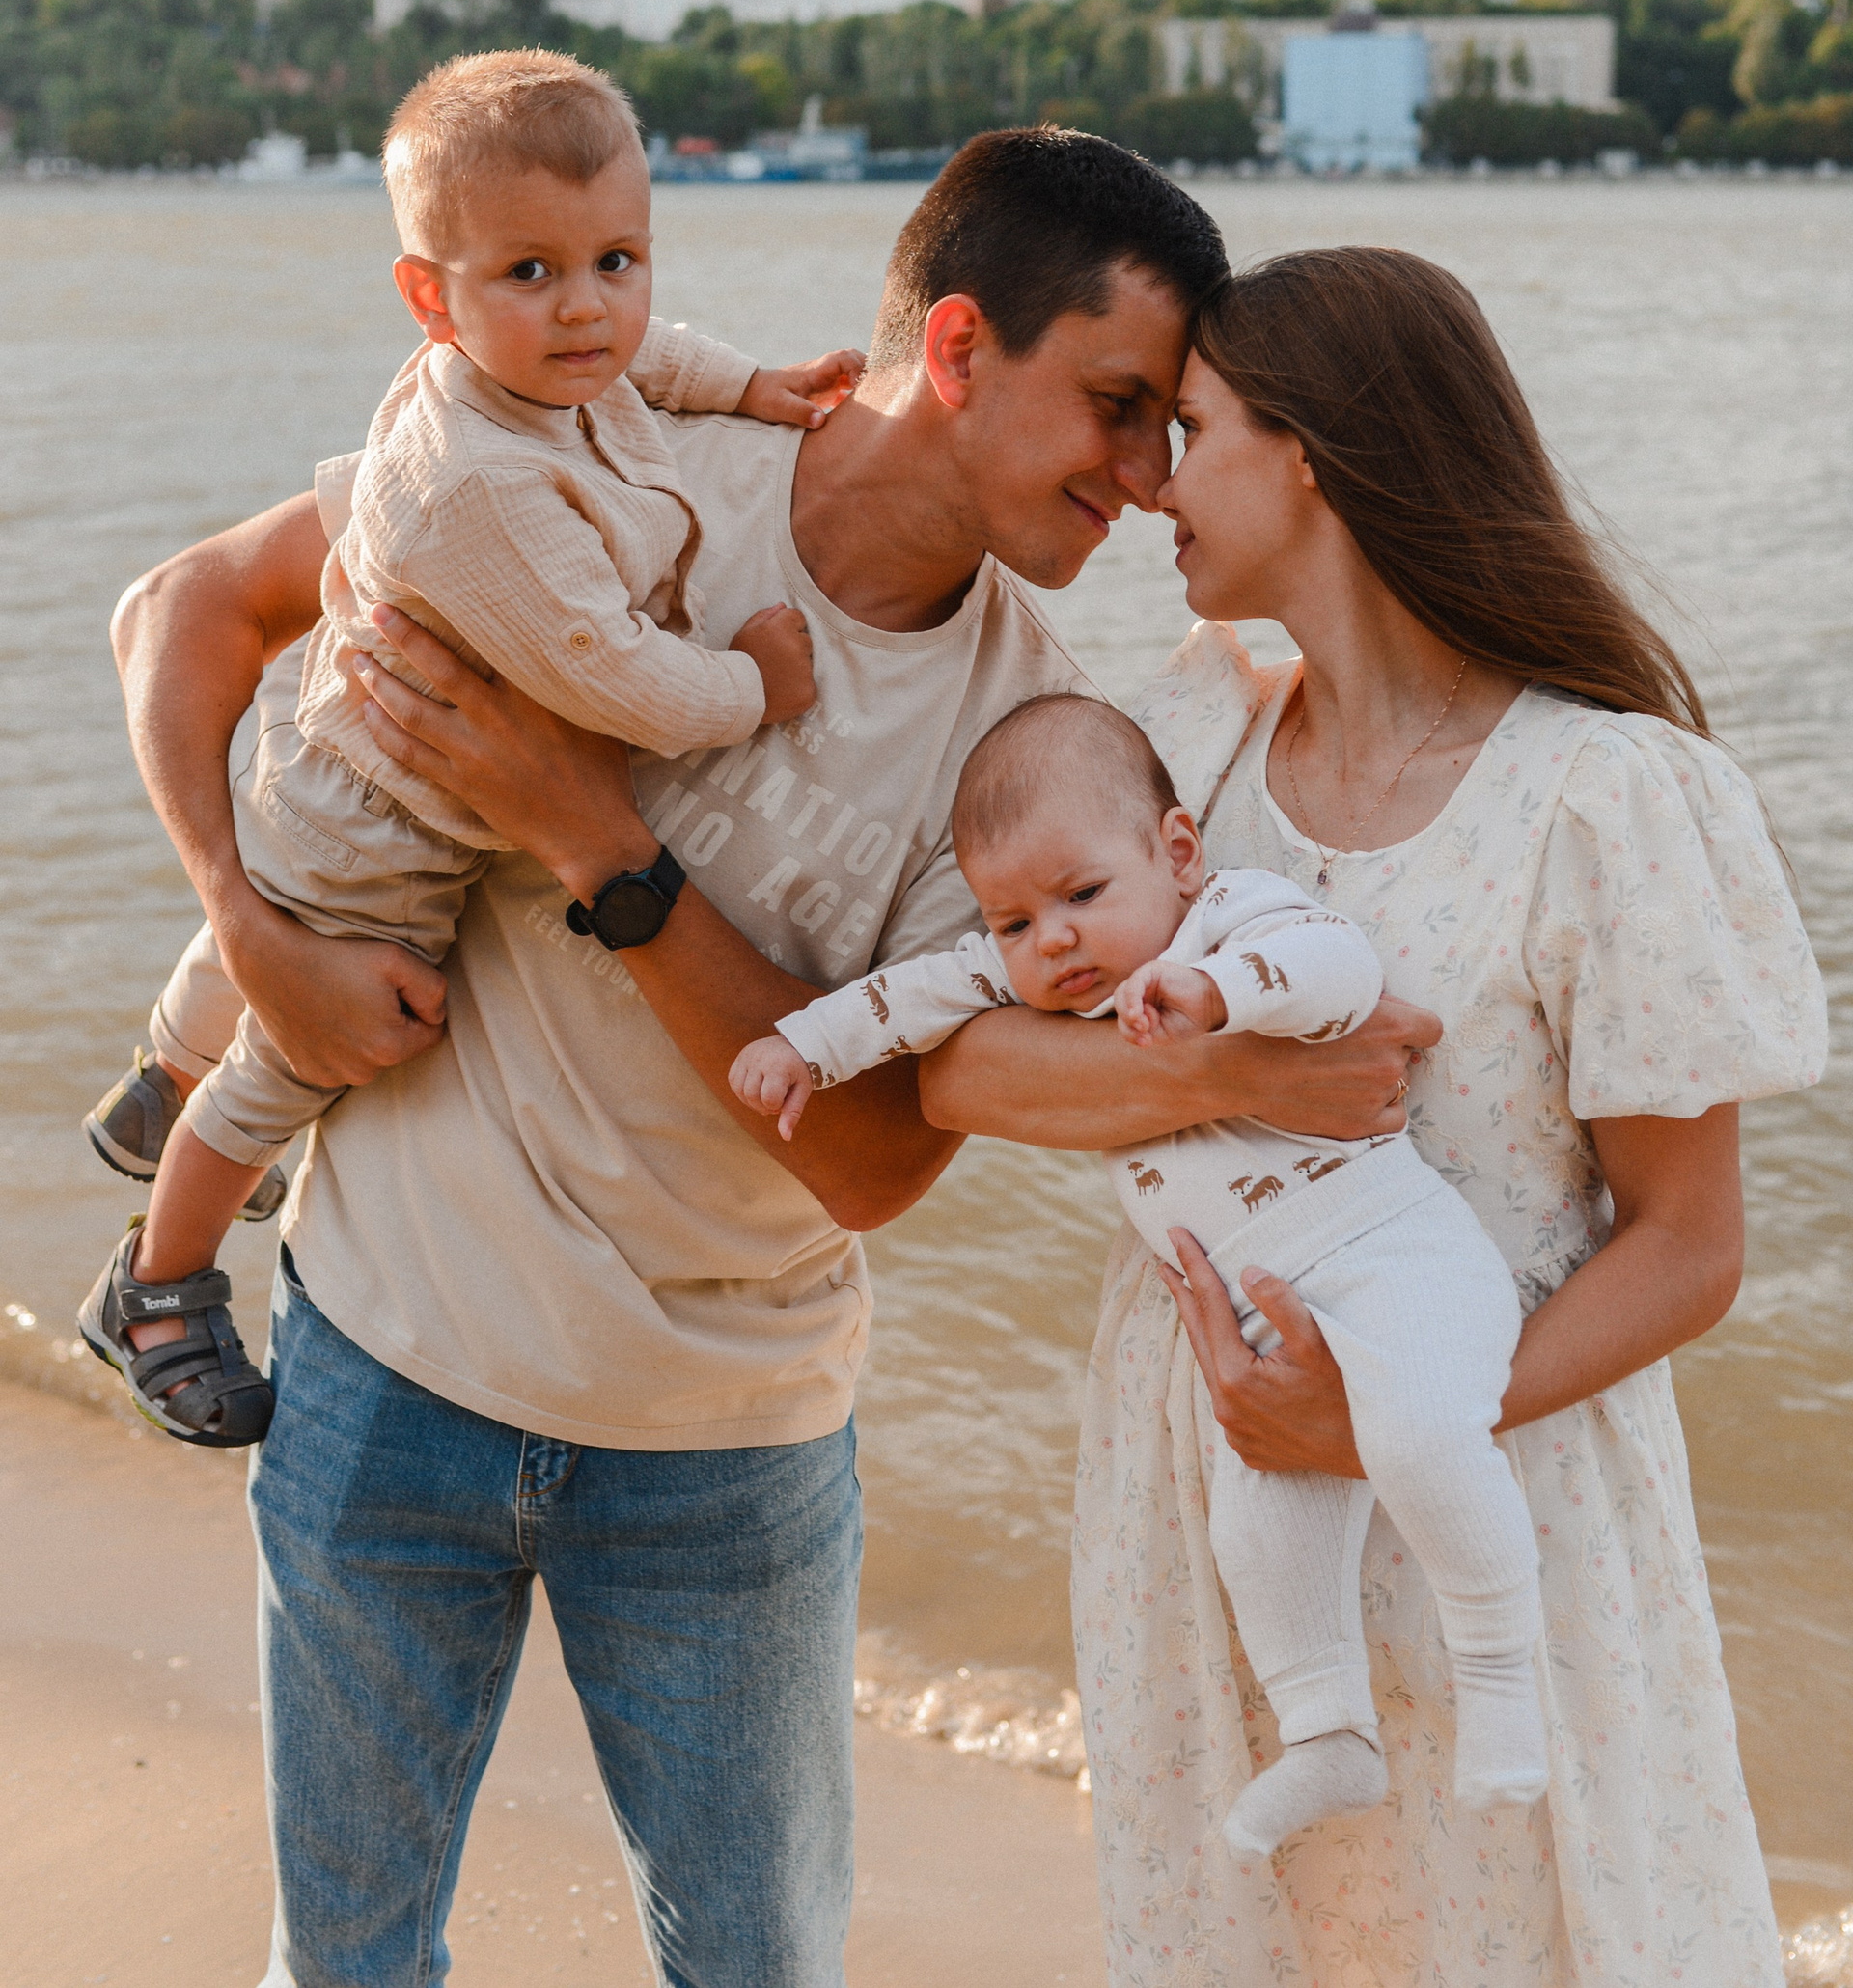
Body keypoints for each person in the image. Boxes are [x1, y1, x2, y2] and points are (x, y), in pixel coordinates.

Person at [118, 130, 1427, 1988]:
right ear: (957, 346)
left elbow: (874, 1162)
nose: (1150, 480)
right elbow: (186, 610)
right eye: (1118, 405)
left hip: (725, 1451)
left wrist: (594, 838)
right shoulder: (603, 457)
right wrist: (250, 930)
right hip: (389, 1355)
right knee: (341, 1969)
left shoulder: (1035, 740)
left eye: (1170, 429)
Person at [916, 246, 1829, 1986]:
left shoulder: (1601, 795)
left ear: (1316, 455)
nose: (1153, 482)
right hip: (1210, 1502)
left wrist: (1386, 1420)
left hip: (1498, 1491)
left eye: (1193, 429)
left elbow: (1691, 1248)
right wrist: (1226, 1076)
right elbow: (956, 1064)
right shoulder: (1179, 757)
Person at [79, 46, 844, 1448]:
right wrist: (756, 681)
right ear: (430, 297)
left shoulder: (544, 366)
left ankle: (156, 1079)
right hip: (385, 831)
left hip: (330, 750)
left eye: (618, 259)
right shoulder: (482, 483)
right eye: (532, 272)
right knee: (294, 1064)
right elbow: (622, 681)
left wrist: (757, 387)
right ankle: (159, 1277)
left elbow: (653, 357)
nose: (589, 306)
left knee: (258, 904)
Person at [734, 689, 1550, 1852]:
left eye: (1081, 895)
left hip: (1394, 1259)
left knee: (1425, 1441)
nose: (1052, 940)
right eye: (1013, 921)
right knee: (1257, 1533)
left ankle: (1503, 1676)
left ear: (1175, 853)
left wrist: (1220, 995)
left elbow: (1335, 962)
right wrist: (802, 1047)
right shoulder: (1032, 973)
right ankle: (1329, 1735)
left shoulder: (1226, 918)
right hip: (1273, 1324)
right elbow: (909, 1000)